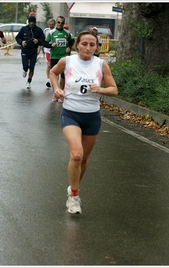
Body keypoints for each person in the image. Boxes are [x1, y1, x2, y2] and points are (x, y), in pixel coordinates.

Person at [49, 30, 118, 214]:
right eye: (84, 44)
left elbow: (114, 90)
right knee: (77, 155)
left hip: (92, 116)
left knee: (85, 159)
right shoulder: (68, 61)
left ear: (97, 47)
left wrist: (101, 90)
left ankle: (73, 186)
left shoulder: (101, 65)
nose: (88, 48)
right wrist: (56, 88)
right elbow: (53, 73)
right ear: (77, 44)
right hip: (71, 113)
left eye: (92, 45)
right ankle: (74, 196)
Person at [43, 16, 74, 102]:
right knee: (55, 76)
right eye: (59, 22)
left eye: (62, 23)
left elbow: (72, 41)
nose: (60, 24)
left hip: (64, 57)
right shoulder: (51, 32)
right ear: (56, 22)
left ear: (64, 23)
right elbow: (45, 43)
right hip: (54, 57)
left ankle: (61, 93)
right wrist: (50, 45)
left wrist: (69, 47)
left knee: (63, 76)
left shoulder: (67, 33)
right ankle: (55, 93)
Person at [15, 16, 45, 89]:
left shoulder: (38, 30)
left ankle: (29, 81)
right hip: (25, 50)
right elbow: (17, 38)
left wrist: (38, 41)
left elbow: (43, 39)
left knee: (32, 68)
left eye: (33, 22)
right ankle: (25, 70)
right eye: (30, 22)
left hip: (33, 51)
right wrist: (21, 42)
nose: (31, 23)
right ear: (28, 22)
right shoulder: (24, 29)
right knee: (25, 66)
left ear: (35, 22)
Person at [43, 18, 56, 88]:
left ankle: (53, 79)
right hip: (47, 50)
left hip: (55, 50)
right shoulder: (46, 30)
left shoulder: (56, 31)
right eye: (50, 24)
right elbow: (43, 41)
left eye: (52, 25)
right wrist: (40, 49)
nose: (51, 26)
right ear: (48, 24)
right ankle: (48, 80)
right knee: (48, 65)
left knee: (54, 66)